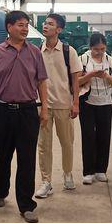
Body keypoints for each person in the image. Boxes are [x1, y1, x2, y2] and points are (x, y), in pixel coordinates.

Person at [0, 11, 49, 223]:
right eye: (20, 25)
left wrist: (45, 109)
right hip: (3, 110)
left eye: (26, 25)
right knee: (3, 156)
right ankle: (1, 192)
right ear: (9, 27)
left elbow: (42, 82)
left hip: (28, 111)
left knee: (27, 159)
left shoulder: (35, 52)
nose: (25, 29)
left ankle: (26, 205)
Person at [35, 13, 81, 198]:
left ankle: (67, 173)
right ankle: (46, 181)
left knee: (67, 143)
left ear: (59, 29)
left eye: (50, 24)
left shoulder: (69, 51)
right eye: (45, 23)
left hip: (63, 104)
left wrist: (75, 102)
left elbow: (75, 79)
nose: (45, 26)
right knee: (44, 145)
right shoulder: (37, 51)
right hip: (43, 106)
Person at [77, 32, 112, 185]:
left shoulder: (110, 61)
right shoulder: (82, 59)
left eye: (102, 49)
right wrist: (91, 75)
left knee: (104, 136)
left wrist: (106, 76)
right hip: (87, 103)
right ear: (90, 47)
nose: (99, 52)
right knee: (88, 136)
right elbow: (76, 81)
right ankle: (88, 171)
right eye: (96, 49)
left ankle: (101, 170)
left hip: (105, 103)